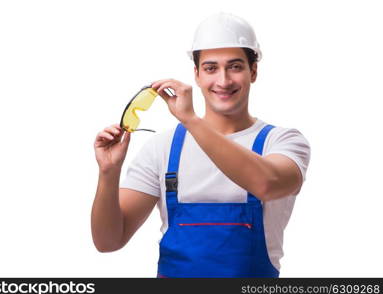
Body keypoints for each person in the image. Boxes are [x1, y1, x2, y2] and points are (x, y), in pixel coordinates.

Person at [91, 12, 311, 278]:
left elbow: (266, 183)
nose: (223, 80)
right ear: (196, 74)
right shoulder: (163, 148)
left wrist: (191, 119)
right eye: (210, 68)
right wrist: (108, 172)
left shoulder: (283, 141)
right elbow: (108, 241)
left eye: (235, 66)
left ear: (253, 71)